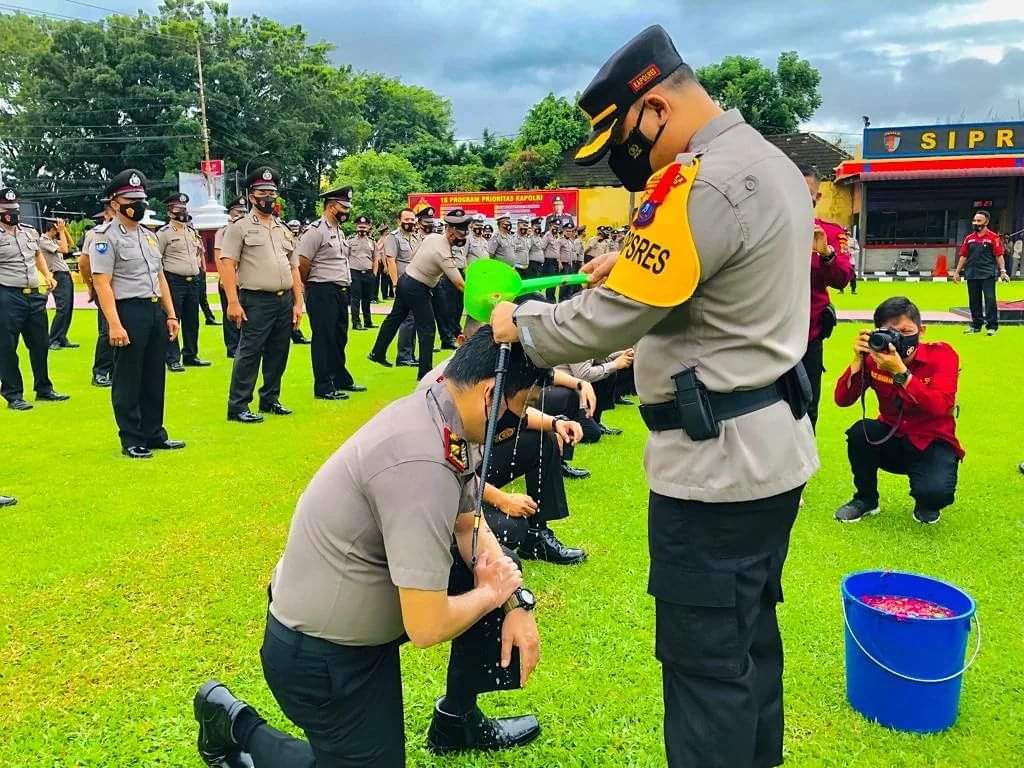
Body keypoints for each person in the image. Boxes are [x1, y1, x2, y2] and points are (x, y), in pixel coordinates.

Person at [489, 26, 818, 768]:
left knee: (706, 673)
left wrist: (522, 326)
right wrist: (626, 267)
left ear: (654, 109)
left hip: (715, 475)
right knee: (748, 651)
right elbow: (702, 286)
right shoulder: (764, 163)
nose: (625, 159)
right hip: (768, 451)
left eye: (622, 138)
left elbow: (608, 320)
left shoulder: (705, 180)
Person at [193, 329, 544, 767]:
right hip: (320, 655)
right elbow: (427, 626)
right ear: (491, 395)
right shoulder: (422, 464)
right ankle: (233, 722)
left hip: (357, 631)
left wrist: (514, 600)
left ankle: (458, 718)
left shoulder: (443, 401)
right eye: (523, 406)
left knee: (486, 561)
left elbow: (468, 522)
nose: (522, 419)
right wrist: (492, 592)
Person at [833, 297, 962, 525]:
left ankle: (926, 502)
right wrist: (857, 362)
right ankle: (866, 499)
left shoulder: (942, 356)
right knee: (859, 433)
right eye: (890, 332)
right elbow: (842, 400)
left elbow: (939, 406)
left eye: (906, 330)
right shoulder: (874, 359)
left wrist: (901, 373)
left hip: (931, 441)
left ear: (921, 331)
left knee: (935, 493)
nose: (898, 339)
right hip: (892, 437)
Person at [89, 170, 183, 458]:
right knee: (129, 377)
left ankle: (154, 432)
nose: (138, 204)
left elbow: (161, 277)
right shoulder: (104, 237)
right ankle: (131, 438)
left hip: (154, 309)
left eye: (140, 199)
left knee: (155, 374)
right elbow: (101, 282)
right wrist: (114, 324)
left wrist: (170, 314)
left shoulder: (149, 236)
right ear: (115, 203)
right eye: (131, 199)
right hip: (128, 311)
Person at [219, 166, 303, 424]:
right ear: (251, 196)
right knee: (250, 351)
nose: (268, 197)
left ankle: (270, 398)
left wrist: (299, 302)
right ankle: (238, 405)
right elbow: (226, 263)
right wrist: (232, 301)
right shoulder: (240, 227)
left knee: (279, 350)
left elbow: (294, 266)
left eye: (272, 192)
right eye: (262, 192)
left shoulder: (283, 228)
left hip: (284, 298)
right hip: (256, 300)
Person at [369, 210, 469, 379]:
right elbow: (459, 283)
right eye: (460, 236)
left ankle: (377, 353)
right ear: (451, 234)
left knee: (394, 318)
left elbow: (414, 254)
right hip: (417, 286)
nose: (461, 240)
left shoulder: (433, 238)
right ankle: (425, 372)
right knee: (427, 327)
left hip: (406, 279)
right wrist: (475, 295)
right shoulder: (442, 253)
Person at [0, 187, 69, 411]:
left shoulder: (28, 231)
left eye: (15, 209)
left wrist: (48, 275)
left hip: (33, 295)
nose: (13, 213)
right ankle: (13, 394)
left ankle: (44, 388)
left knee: (40, 344)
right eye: (8, 209)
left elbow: (38, 254)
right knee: (7, 346)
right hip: (7, 294)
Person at [296, 186, 365, 402]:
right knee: (324, 339)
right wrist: (308, 286)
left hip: (340, 290)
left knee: (339, 337)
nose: (347, 211)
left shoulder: (339, 231)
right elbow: (302, 263)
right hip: (321, 290)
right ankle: (323, 385)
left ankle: (340, 377)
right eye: (343, 207)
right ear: (331, 206)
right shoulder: (316, 231)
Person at [801, 165, 853, 429]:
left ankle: (801, 467)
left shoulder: (830, 233)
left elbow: (842, 278)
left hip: (809, 334)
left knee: (807, 406)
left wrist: (826, 254)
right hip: (767, 334)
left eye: (808, 194)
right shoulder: (766, 229)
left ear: (818, 197)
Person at [158, 193, 211, 372]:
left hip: (193, 280)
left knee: (192, 320)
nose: (182, 212)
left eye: (184, 208)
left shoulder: (191, 232)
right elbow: (157, 259)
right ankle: (172, 358)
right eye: (178, 208)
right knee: (173, 318)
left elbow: (198, 255)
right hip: (173, 280)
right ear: (169, 211)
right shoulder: (164, 234)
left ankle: (190, 354)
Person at [953, 210, 1009, 336]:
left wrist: (1003, 271)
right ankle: (976, 325)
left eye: (979, 221)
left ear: (986, 222)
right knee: (974, 301)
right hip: (972, 273)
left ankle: (992, 327)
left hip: (987, 273)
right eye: (974, 220)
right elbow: (963, 256)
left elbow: (999, 256)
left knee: (990, 300)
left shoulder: (993, 238)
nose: (975, 223)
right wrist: (957, 272)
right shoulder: (969, 238)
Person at [80, 202, 115, 386]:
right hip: (106, 287)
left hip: (130, 290)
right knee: (106, 331)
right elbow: (84, 263)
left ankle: (118, 370)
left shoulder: (137, 232)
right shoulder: (95, 234)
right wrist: (91, 285)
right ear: (108, 213)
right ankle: (101, 371)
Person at [381, 208, 422, 367]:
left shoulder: (415, 237)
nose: (410, 222)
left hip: (416, 282)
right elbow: (391, 261)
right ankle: (403, 356)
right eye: (406, 219)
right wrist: (395, 283)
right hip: (403, 283)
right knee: (407, 319)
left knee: (415, 319)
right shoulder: (393, 237)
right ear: (399, 221)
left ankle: (410, 354)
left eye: (412, 219)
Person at [216, 196, 248, 359]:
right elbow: (219, 257)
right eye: (238, 211)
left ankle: (243, 345)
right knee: (230, 314)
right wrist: (224, 278)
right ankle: (232, 346)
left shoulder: (246, 229)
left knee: (246, 313)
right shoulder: (224, 231)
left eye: (244, 211)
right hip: (229, 278)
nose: (241, 214)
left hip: (245, 280)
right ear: (230, 213)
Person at [41, 217, 77, 350]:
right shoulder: (43, 240)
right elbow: (65, 250)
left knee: (68, 308)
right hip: (57, 275)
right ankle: (53, 339)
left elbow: (71, 244)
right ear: (53, 228)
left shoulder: (53, 240)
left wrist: (64, 230)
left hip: (65, 274)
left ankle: (62, 337)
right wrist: (61, 231)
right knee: (62, 308)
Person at [346, 215, 376, 330]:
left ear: (368, 227)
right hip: (355, 273)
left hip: (368, 273)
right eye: (360, 226)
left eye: (364, 226)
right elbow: (345, 257)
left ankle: (368, 321)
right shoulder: (350, 240)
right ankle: (356, 323)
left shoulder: (372, 241)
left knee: (367, 299)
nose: (362, 228)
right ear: (356, 227)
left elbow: (375, 259)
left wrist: (374, 273)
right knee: (355, 299)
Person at [539, 222, 562, 301]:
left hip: (555, 262)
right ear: (550, 226)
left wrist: (558, 261)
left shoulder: (556, 236)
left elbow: (557, 251)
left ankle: (552, 299)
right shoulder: (548, 235)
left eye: (557, 226)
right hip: (549, 262)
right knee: (551, 281)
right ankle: (549, 299)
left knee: (555, 282)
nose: (556, 228)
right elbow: (542, 247)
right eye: (554, 226)